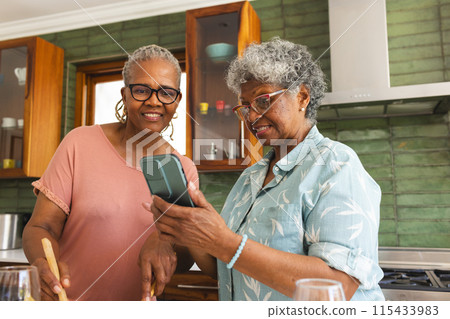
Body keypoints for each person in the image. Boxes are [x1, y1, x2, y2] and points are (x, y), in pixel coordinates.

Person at [146, 38, 385, 301]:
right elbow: (224, 267)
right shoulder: (251, 176)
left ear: (302, 97)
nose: (250, 117)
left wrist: (222, 241)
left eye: (262, 101)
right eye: (245, 107)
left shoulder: (336, 165)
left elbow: (337, 287)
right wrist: (190, 228)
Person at [22, 44, 198, 301]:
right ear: (125, 94)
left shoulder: (184, 169)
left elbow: (184, 258)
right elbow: (41, 225)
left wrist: (166, 244)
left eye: (166, 93)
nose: (153, 101)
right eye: (141, 90)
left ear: (177, 100)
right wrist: (41, 262)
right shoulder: (79, 143)